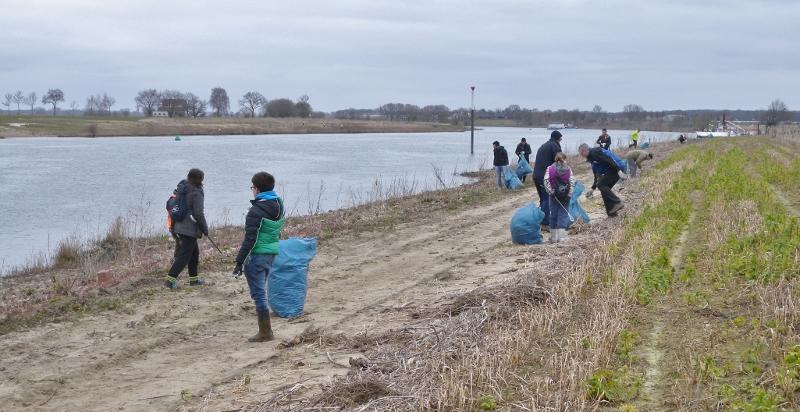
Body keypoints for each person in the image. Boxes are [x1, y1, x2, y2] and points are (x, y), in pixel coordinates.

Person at [232, 172, 285, 342]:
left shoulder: (256, 211)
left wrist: (239, 262)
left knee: (259, 294)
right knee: (261, 290)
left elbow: (250, 240)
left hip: (257, 256)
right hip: (271, 253)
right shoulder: (278, 204)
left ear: (257, 189)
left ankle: (265, 332)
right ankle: (265, 330)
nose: (252, 190)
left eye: (252, 187)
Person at [165, 168, 209, 289]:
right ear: (200, 179)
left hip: (178, 225)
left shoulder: (183, 187)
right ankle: (170, 280)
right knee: (184, 255)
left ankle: (194, 280)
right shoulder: (197, 191)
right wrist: (205, 229)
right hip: (189, 228)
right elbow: (199, 213)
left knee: (194, 253)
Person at [579, 143, 625, 217]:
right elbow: (597, 175)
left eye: (581, 153)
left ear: (584, 150)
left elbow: (608, 159)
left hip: (616, 167)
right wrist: (592, 189)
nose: (581, 156)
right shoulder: (592, 158)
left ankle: (617, 202)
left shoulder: (594, 152)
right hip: (613, 169)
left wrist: (618, 170)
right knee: (603, 189)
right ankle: (611, 213)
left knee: (601, 185)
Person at [532, 131, 563, 227]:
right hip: (544, 177)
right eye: (560, 139)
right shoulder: (555, 146)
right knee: (547, 199)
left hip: (536, 176)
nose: (560, 141)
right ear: (558, 138)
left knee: (543, 199)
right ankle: (545, 223)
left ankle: (542, 220)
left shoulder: (544, 145)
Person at [543, 152, 575, 243]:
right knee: (563, 215)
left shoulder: (550, 168)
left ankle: (553, 238)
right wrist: (569, 194)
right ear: (564, 159)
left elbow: (546, 181)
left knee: (553, 214)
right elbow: (572, 182)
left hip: (554, 196)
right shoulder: (568, 169)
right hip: (565, 196)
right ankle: (561, 238)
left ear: (555, 159)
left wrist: (550, 192)